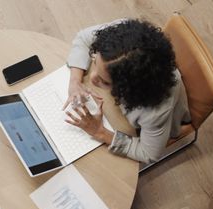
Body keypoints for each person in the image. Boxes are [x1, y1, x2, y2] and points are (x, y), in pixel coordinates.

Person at [63, 18, 191, 163]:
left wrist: (100, 132)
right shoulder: (120, 40)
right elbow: (83, 39)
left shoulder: (154, 112)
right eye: (94, 62)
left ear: (129, 89)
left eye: (104, 81)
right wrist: (75, 81)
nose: (92, 78)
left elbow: (149, 153)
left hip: (142, 126)